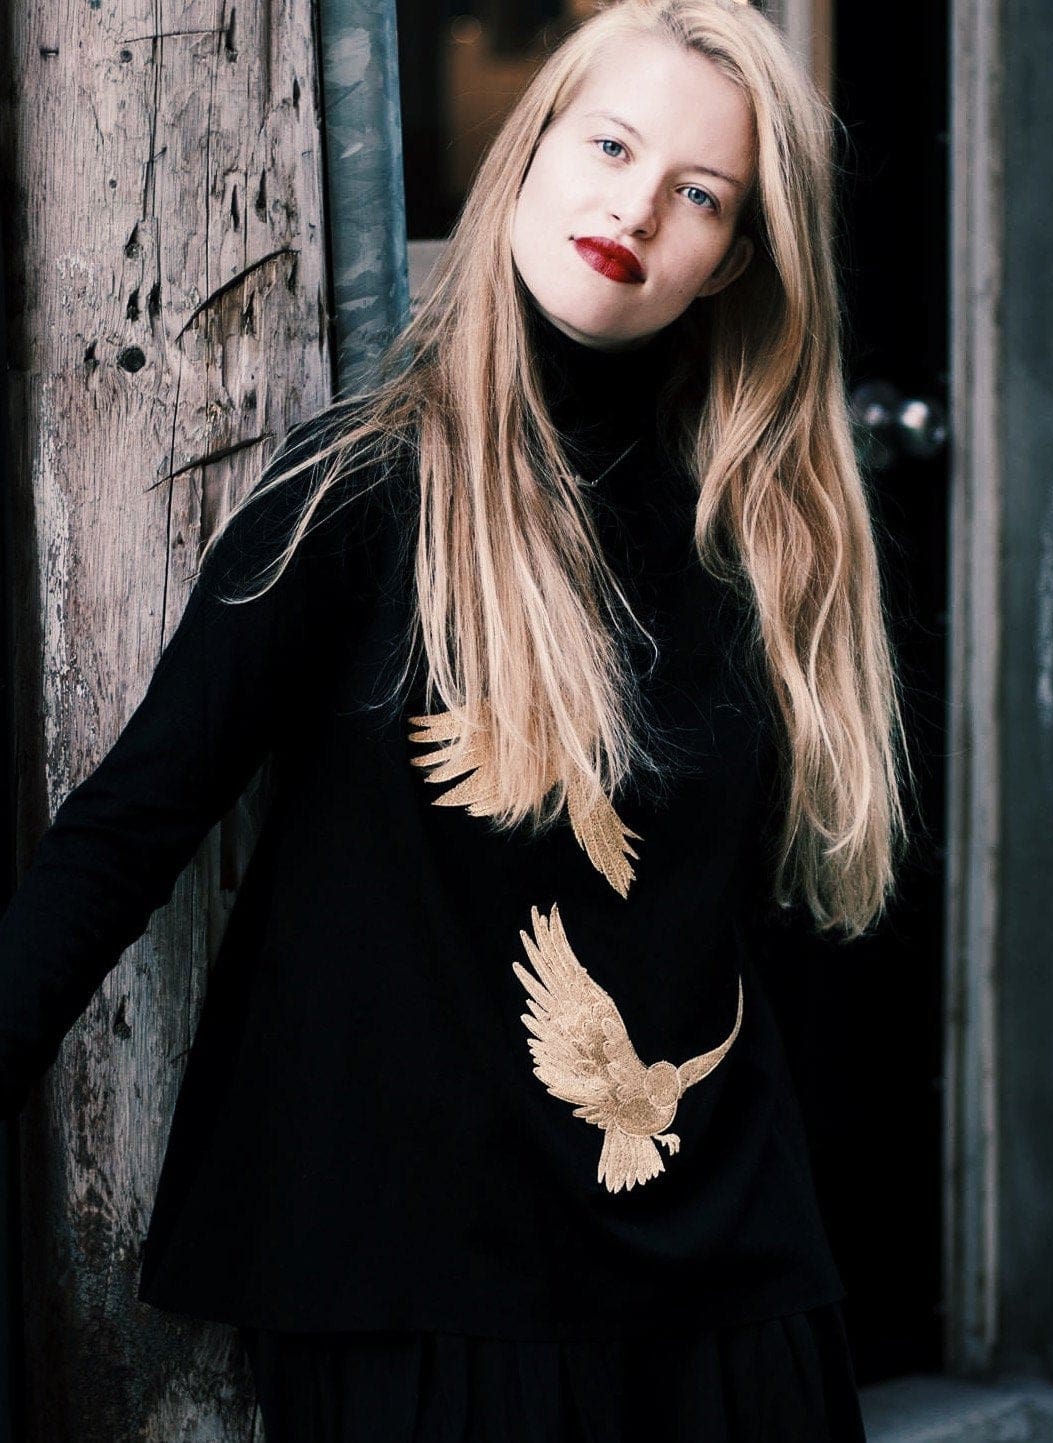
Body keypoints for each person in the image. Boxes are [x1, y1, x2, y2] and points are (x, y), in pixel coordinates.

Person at [0, 0, 906, 1437]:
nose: (634, 206)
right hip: (419, 1284)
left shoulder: (770, 538)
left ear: (731, 261)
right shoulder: (362, 493)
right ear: (529, 150)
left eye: (697, 195)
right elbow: (130, 826)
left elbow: (768, 940)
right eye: (609, 144)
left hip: (721, 1297)